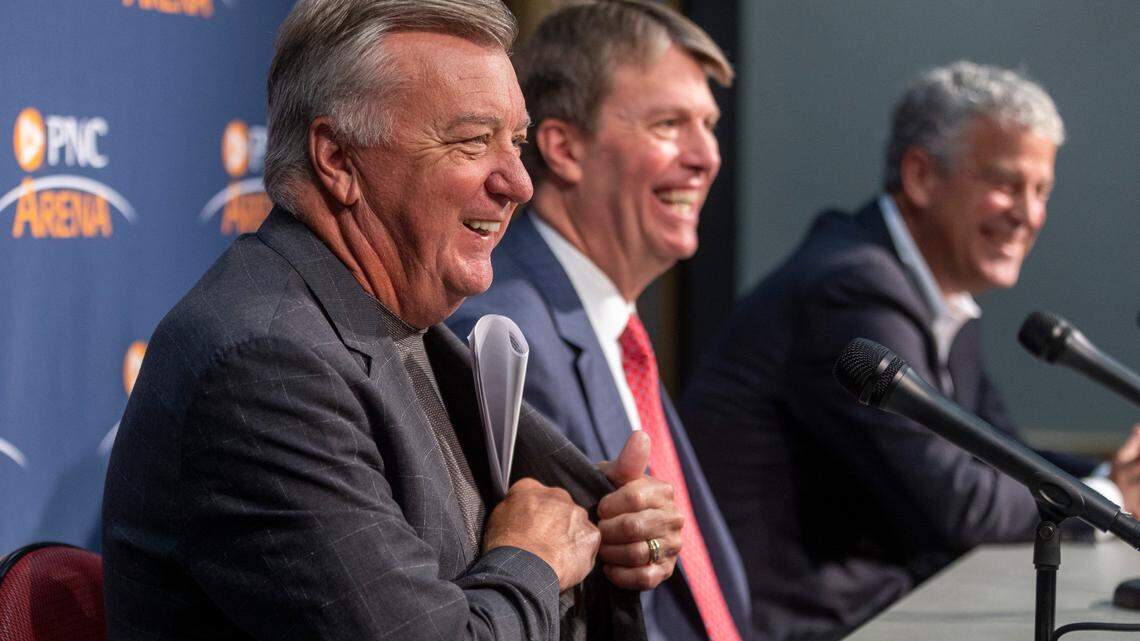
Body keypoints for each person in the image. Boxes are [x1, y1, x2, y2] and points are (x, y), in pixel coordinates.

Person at [101, 1, 683, 639]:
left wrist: (600, 521)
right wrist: (535, 560)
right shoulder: (266, 366)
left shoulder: (388, 322)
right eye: (471, 141)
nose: (518, 183)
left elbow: (472, 525)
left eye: (515, 142)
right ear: (339, 160)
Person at [680, 60, 1140, 641]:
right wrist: (1112, 497)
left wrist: (1111, 477)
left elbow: (1001, 454)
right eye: (1005, 184)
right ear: (921, 176)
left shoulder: (938, 289)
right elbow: (957, 505)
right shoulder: (851, 289)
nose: (1028, 214)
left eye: (1041, 190)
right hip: (812, 627)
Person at [448, 3, 748, 640]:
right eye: (669, 124)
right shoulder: (503, 329)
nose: (707, 156)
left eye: (709, 125)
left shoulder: (615, 326)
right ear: (564, 147)